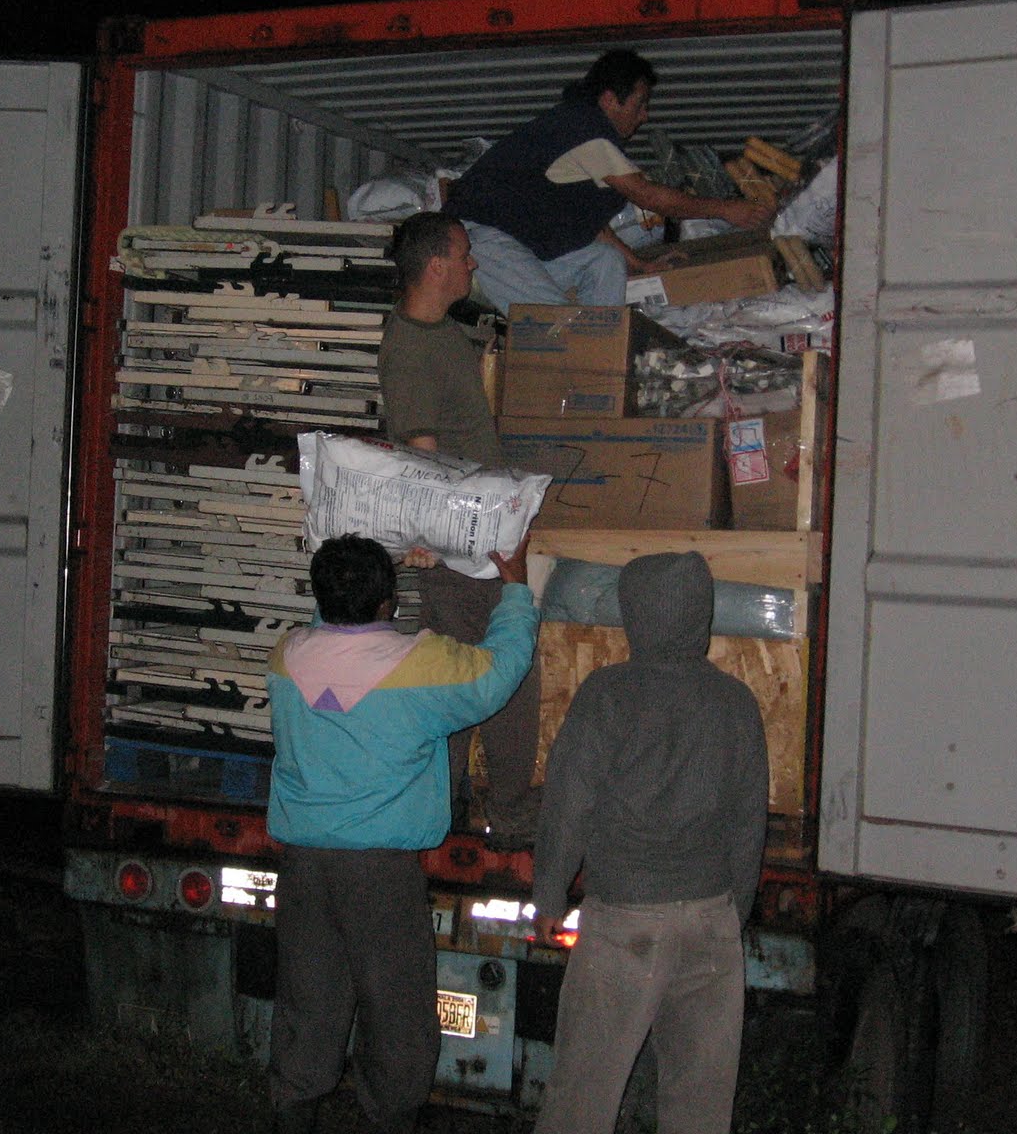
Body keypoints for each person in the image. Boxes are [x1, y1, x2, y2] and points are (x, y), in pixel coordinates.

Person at [266, 532, 538, 1134]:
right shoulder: (419, 665)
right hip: (380, 876)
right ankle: (390, 1117)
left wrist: (366, 592)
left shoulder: (286, 657)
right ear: (388, 602)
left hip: (304, 869)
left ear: (321, 595)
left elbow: (336, 631)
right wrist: (516, 590)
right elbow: (499, 674)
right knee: (397, 1015)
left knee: (308, 1005)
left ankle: (293, 1108)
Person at [530, 551, 769, 1134]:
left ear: (636, 615)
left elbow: (568, 806)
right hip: (712, 922)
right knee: (700, 1112)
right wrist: (731, 914)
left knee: (580, 1105)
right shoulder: (737, 701)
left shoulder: (608, 694)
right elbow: (748, 826)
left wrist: (550, 897)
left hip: (624, 927)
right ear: (701, 613)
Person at [376, 211, 543, 849]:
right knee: (506, 669)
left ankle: (446, 810)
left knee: (463, 673)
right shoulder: (412, 351)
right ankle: (507, 816)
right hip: (465, 548)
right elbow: (424, 462)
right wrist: (451, 543)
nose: (474, 265)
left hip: (479, 533)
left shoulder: (440, 332)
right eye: (466, 255)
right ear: (437, 266)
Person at [444, 48, 779, 312]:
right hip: (481, 237)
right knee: (553, 319)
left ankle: (601, 342)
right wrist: (725, 210)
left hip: (518, 241)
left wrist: (638, 263)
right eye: (639, 104)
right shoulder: (582, 130)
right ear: (608, 99)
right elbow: (648, 196)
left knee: (607, 262)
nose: (644, 116)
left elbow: (591, 226)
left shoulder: (583, 139)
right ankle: (583, 364)